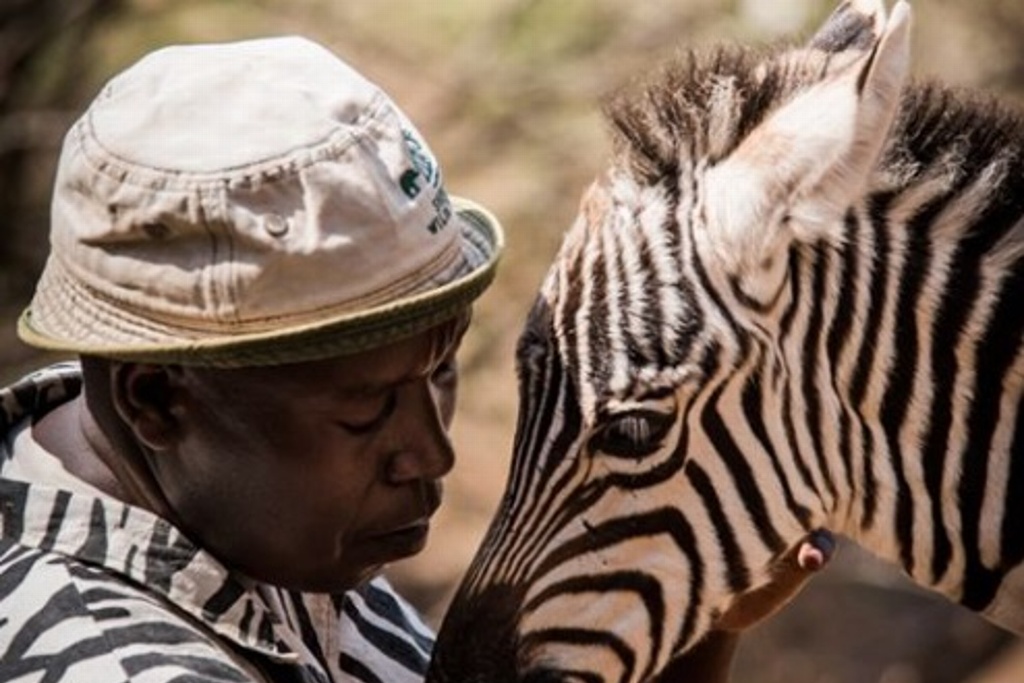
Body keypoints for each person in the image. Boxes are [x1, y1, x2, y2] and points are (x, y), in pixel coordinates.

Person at [0, 35, 831, 682]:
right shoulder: (99, 655)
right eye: (367, 409)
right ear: (156, 399)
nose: (431, 452)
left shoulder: (258, 527)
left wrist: (694, 624)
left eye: (440, 371)